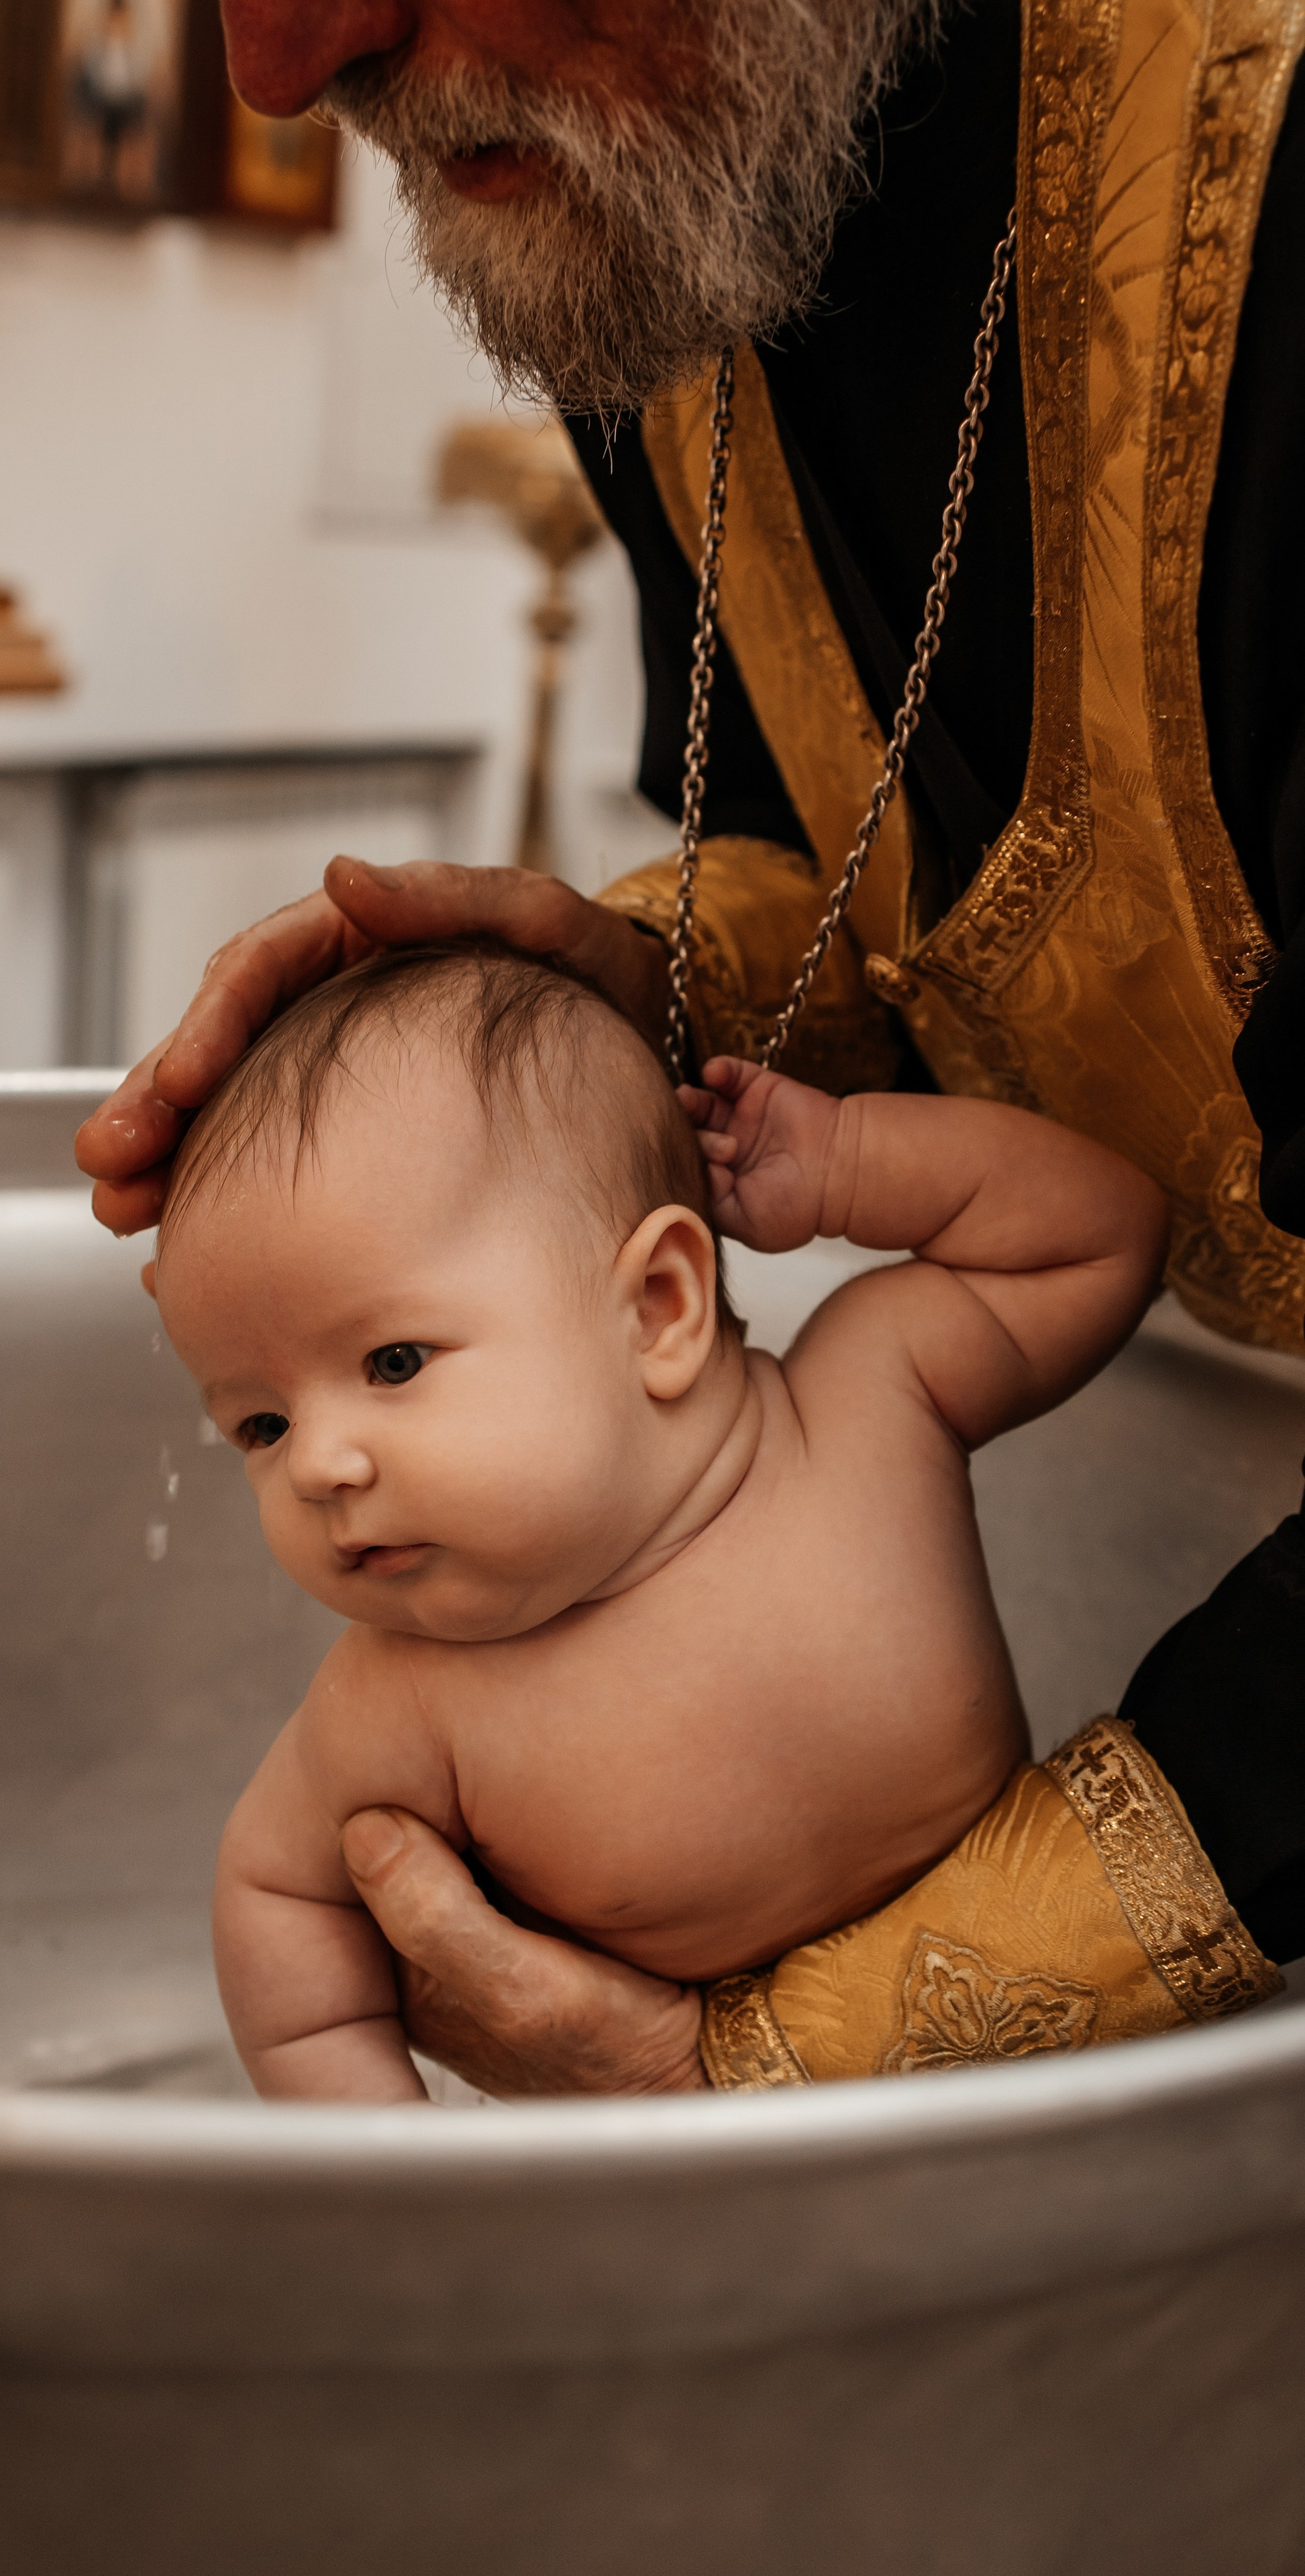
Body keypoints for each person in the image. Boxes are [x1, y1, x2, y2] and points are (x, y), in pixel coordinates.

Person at [76, 0, 1305, 2094]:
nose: (285, 65)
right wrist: (625, 1001)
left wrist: (760, 2066)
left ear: (666, 1302)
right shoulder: (679, 179)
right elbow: (835, 831)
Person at [156, 939, 1236, 2102]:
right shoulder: (400, 1697)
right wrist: (390, 2163)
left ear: (660, 1309)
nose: (317, 1465)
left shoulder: (870, 1398)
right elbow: (274, 1898)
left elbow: (1103, 1232)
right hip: (689, 2169)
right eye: (259, 1426)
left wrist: (846, 1168)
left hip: (1074, 2054)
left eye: (394, 1360)